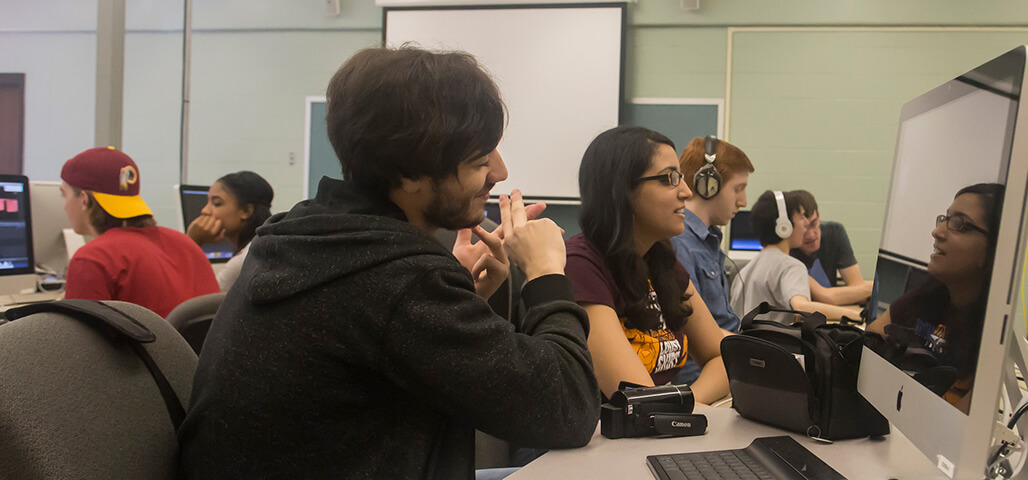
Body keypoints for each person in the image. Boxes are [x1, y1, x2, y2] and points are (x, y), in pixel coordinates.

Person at [177, 47, 601, 479]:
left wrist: (457, 298)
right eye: (480, 159)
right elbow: (569, 409)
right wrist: (547, 274)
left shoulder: (300, 236)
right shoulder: (398, 280)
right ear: (409, 175)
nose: (501, 172)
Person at [564, 126, 729, 404]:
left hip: (658, 431)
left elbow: (721, 357)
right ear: (621, 190)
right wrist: (683, 407)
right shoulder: (580, 265)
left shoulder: (661, 260)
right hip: (602, 442)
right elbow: (639, 401)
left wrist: (687, 404)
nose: (687, 192)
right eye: (669, 179)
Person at [868, 183, 1004, 414]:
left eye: (958, 224)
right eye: (945, 218)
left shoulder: (992, 335)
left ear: (994, 250)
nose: (938, 231)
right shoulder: (926, 296)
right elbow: (869, 346)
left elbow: (955, 429)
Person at [59, 146, 219, 317]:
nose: (64, 205)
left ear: (84, 200)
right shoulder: (186, 243)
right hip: (187, 345)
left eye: (64, 195)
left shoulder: (92, 258)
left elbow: (80, 340)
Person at [670, 136, 754, 385]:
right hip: (703, 380)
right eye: (738, 189)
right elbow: (696, 334)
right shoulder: (681, 244)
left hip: (726, 369)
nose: (744, 201)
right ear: (708, 186)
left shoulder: (708, 242)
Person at [730, 190, 862, 323]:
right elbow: (801, 307)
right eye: (801, 217)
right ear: (784, 226)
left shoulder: (744, 272)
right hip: (777, 343)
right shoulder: (791, 266)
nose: (805, 224)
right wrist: (855, 315)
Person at [186, 171, 274, 291]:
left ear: (246, 211)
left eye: (216, 203)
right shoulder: (262, 247)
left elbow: (199, 304)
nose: (205, 210)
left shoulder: (244, 262)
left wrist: (192, 241)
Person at [789, 190, 872, 305]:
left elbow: (858, 288)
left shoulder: (834, 232)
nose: (811, 235)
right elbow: (824, 296)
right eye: (803, 228)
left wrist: (863, 290)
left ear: (819, 216)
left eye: (814, 224)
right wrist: (873, 286)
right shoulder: (785, 250)